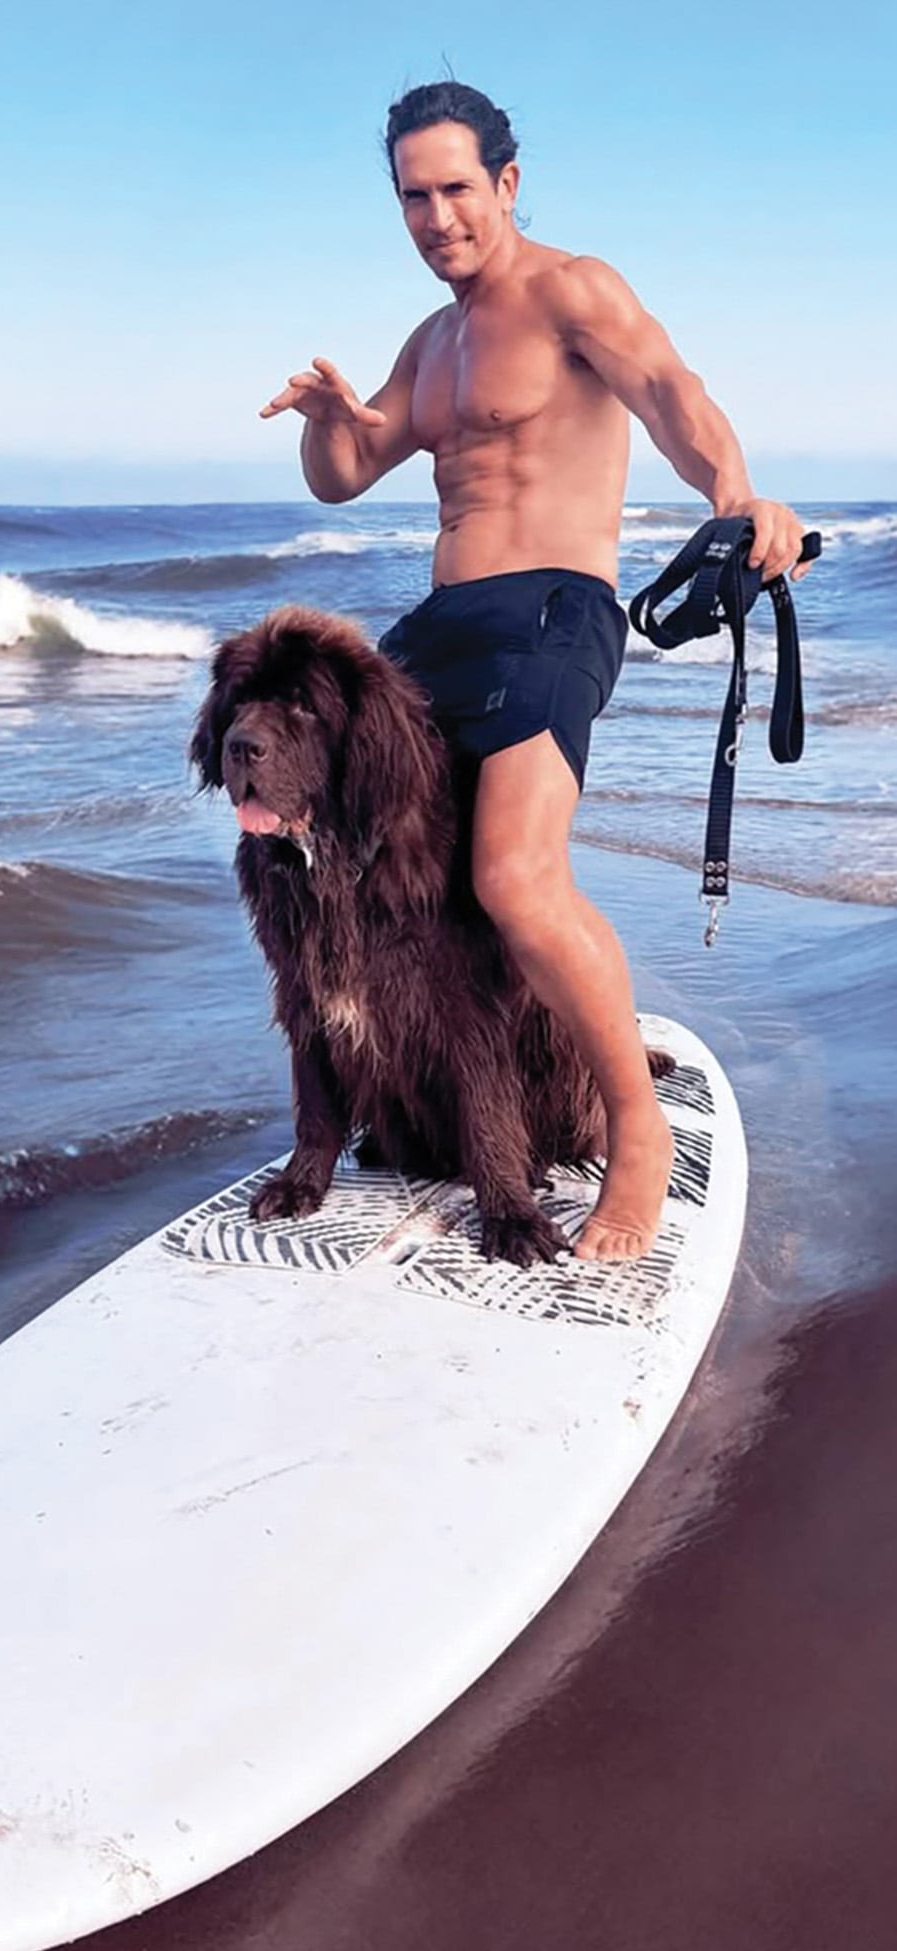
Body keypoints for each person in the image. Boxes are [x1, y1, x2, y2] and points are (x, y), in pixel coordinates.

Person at [260, 77, 814, 1263]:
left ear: (505, 183)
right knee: (346, 859)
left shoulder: (571, 289)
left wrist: (735, 496)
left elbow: (673, 394)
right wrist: (326, 413)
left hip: (554, 611)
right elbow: (346, 471)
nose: (436, 216)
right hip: (440, 626)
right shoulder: (433, 339)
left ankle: (636, 1127)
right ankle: (430, 1095)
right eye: (413, 196)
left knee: (512, 877)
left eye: (455, 188)